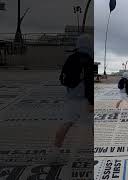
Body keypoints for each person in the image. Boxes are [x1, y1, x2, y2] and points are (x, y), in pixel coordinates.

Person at [48, 34, 93, 164]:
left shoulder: (70, 58)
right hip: (85, 100)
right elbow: (90, 83)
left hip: (71, 98)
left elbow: (62, 78)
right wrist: (91, 102)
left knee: (66, 124)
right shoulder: (89, 60)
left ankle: (54, 154)